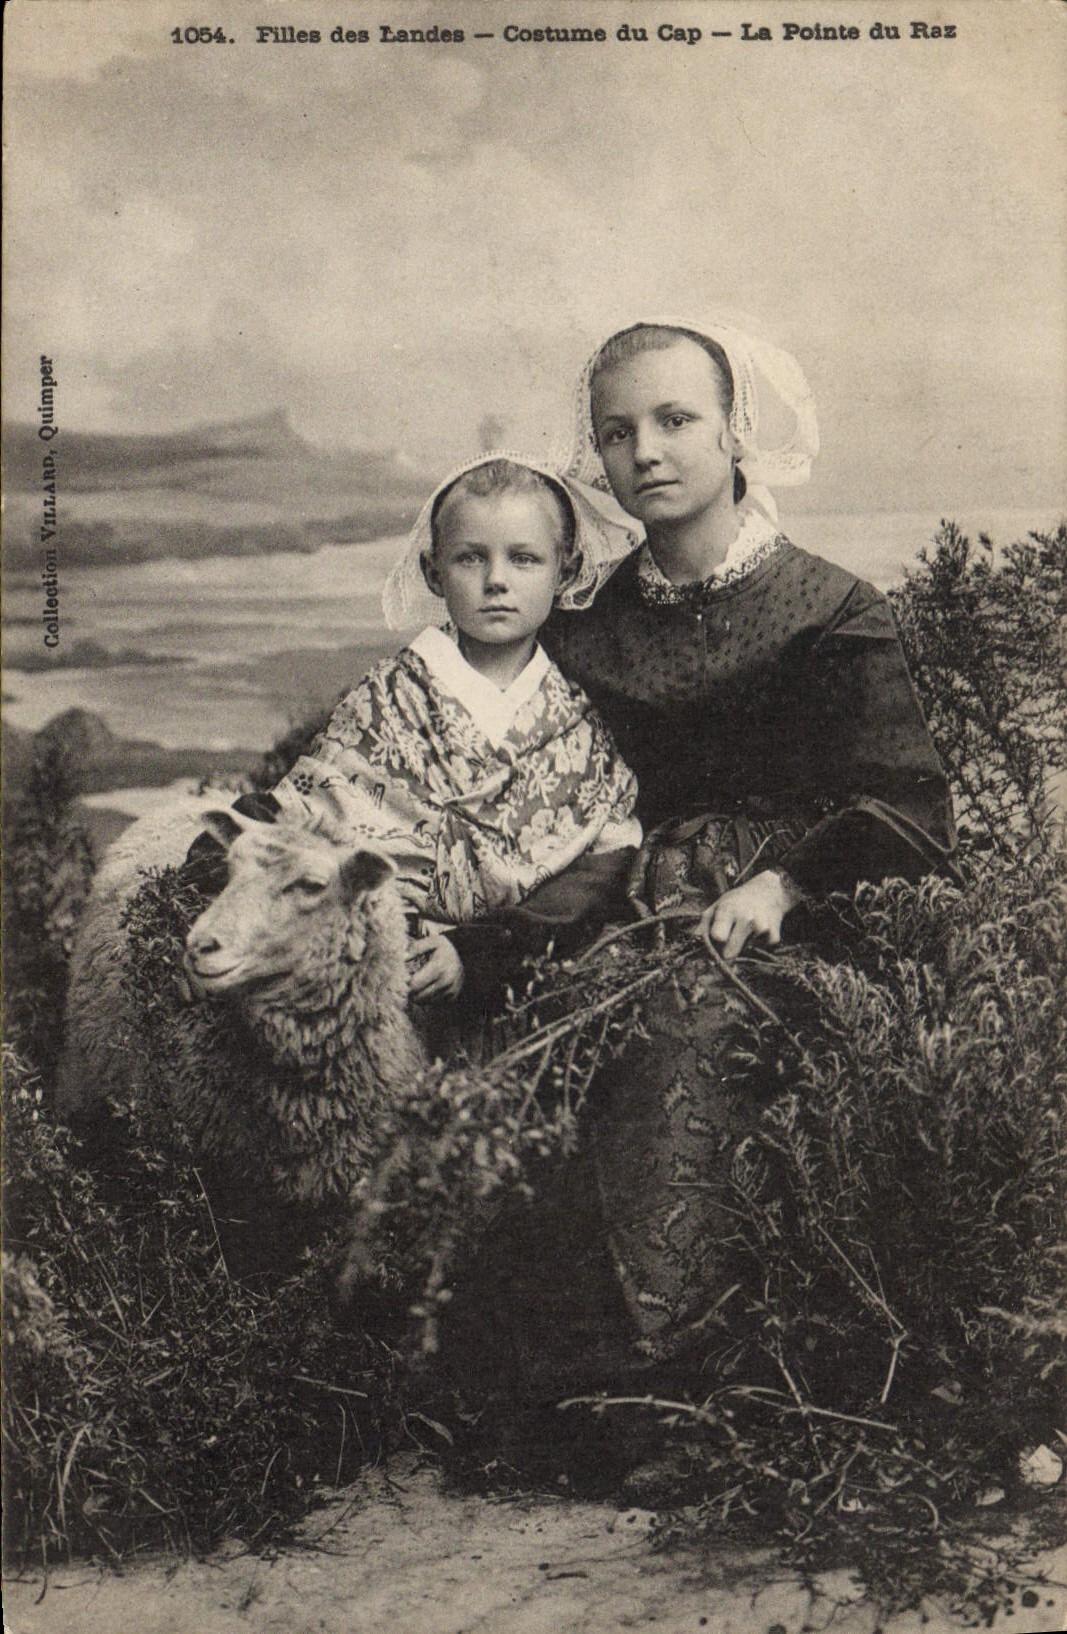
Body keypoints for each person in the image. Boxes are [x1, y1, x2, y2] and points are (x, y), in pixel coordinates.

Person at [540, 316, 958, 1365]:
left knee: (677, 1033)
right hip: (627, 902)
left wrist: (785, 879)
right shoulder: (583, 626)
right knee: (527, 1029)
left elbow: (910, 811)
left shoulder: (828, 610)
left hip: (799, 915)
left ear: (735, 432)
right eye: (617, 429)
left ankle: (682, 1370)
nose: (644, 451)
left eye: (675, 419)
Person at [266, 454, 641, 1026]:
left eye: (524, 558)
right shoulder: (388, 698)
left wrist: (477, 953)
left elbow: (597, 872)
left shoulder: (578, 725)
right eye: (470, 558)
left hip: (517, 986)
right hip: (379, 977)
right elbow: (301, 815)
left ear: (564, 572)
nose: (496, 580)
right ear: (433, 571)